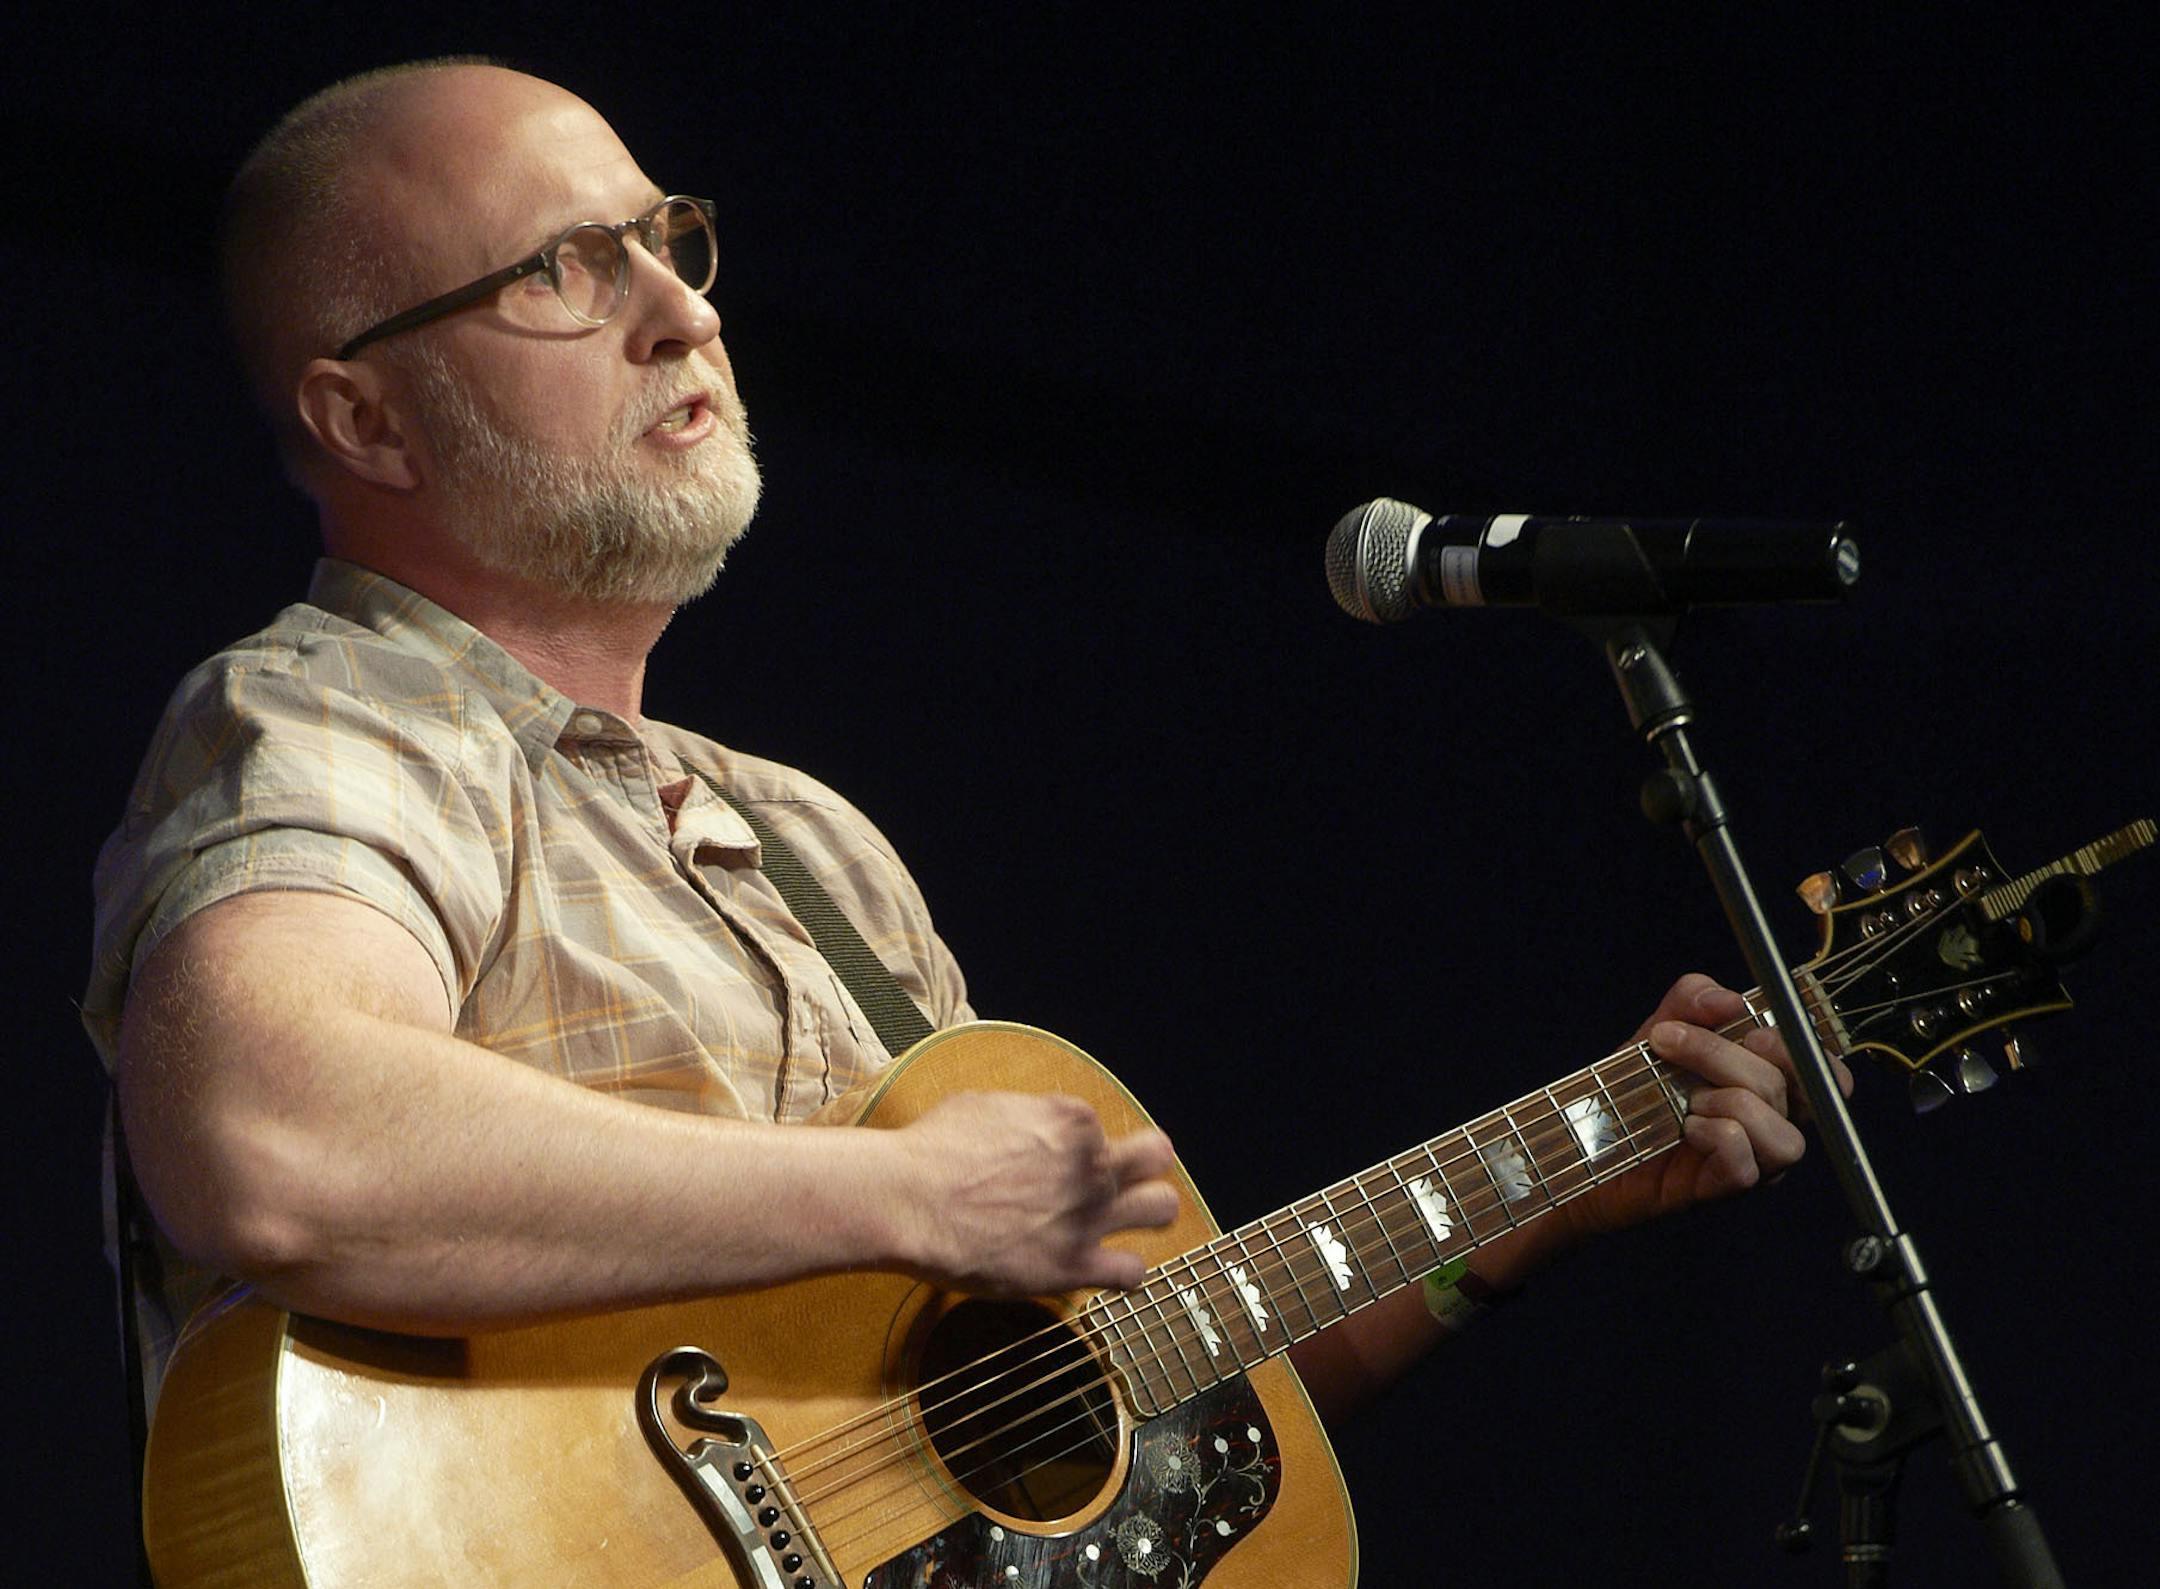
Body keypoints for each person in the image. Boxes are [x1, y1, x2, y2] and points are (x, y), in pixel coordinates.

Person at [86, 59, 1832, 1448]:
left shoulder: (813, 845)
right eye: (562, 267)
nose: (679, 313)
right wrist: (908, 1186)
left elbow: (1076, 1427)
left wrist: (1540, 1196)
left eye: (664, 237)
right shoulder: (329, 715)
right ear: (362, 415)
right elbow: (274, 1135)